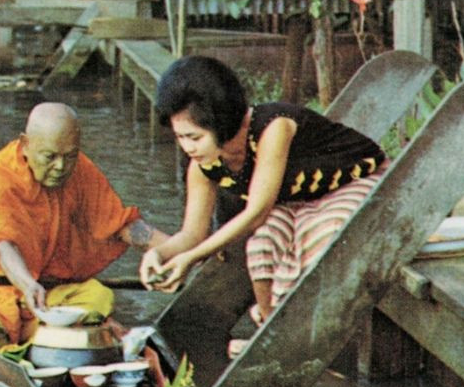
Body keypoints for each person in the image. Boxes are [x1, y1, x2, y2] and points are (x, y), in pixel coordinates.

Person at [140, 56, 387, 350]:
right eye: (180, 137)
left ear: (221, 121)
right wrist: (161, 253)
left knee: (325, 234)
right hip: (298, 203)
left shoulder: (273, 127)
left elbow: (256, 212)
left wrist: (190, 259)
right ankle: (271, 336)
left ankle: (295, 338)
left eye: (195, 137)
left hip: (354, 182)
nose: (188, 147)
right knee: (260, 245)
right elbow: (192, 234)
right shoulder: (202, 165)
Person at [0, 102, 164, 349]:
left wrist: (184, 253)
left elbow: (123, 226)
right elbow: (5, 247)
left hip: (46, 293)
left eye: (69, 156)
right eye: (50, 157)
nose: (60, 167)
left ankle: (37, 340)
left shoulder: (78, 169)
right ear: (26, 144)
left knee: (99, 297)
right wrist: (27, 285)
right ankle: (47, 341)